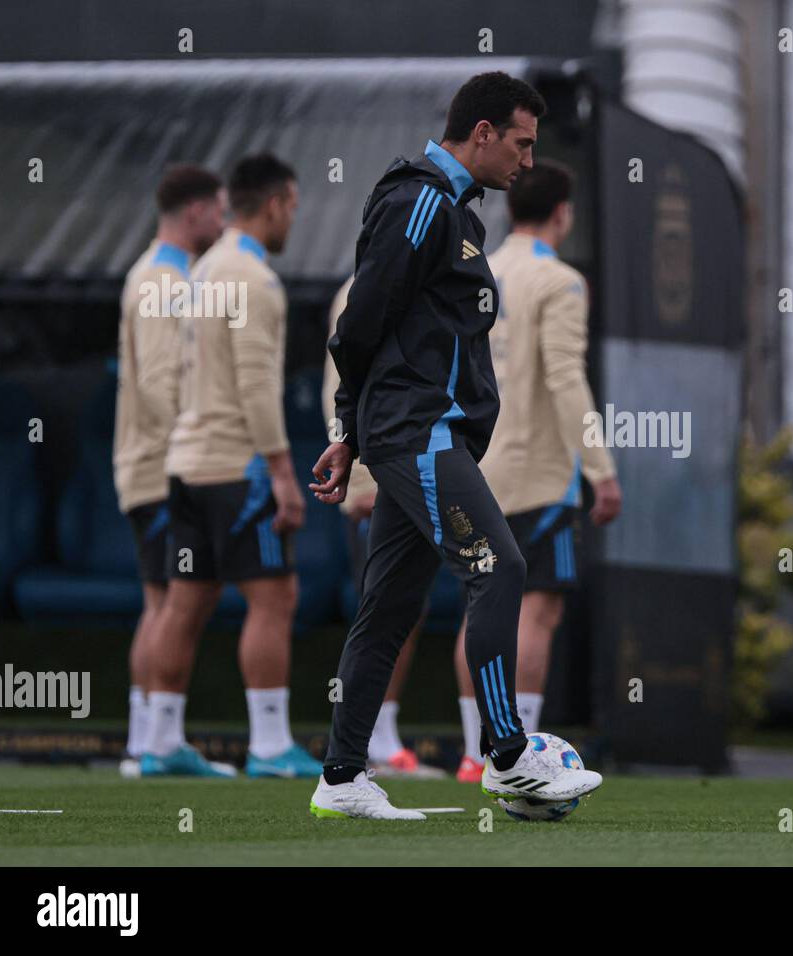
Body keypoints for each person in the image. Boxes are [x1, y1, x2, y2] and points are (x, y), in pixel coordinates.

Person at [310, 71, 602, 819]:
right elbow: (359, 321)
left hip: (423, 436)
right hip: (417, 434)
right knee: (500, 566)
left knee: (390, 605)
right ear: (481, 134)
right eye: (521, 143)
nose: (528, 162)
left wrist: (351, 435)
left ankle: (342, 776)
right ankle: (505, 755)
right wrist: (354, 428)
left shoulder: (459, 214)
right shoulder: (421, 203)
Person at [143, 153, 319, 778]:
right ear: (273, 204)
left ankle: (160, 744)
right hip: (235, 471)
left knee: (184, 605)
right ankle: (270, 746)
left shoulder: (202, 269)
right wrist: (280, 473)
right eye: (293, 207)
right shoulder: (252, 276)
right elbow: (254, 386)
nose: (292, 219)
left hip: (186, 467)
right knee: (275, 598)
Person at [451, 159, 622, 783]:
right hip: (540, 476)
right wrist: (601, 467)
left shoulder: (478, 270)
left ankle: (478, 754)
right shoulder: (561, 281)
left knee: (481, 605)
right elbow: (565, 378)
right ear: (563, 212)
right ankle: (516, 756)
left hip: (472, 467)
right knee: (535, 614)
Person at [113, 164, 226, 777]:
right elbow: (161, 385)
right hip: (163, 469)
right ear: (194, 213)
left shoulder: (166, 275)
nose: (225, 222)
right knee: (172, 603)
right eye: (219, 210)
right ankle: (154, 744)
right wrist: (196, 447)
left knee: (162, 601)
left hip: (154, 467)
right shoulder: (161, 280)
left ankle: (147, 741)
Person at [320, 275, 443, 778]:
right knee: (384, 610)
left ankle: (377, 736)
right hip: (381, 479)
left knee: (402, 607)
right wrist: (365, 477)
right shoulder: (370, 288)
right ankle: (370, 744)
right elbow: (345, 386)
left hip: (405, 472)